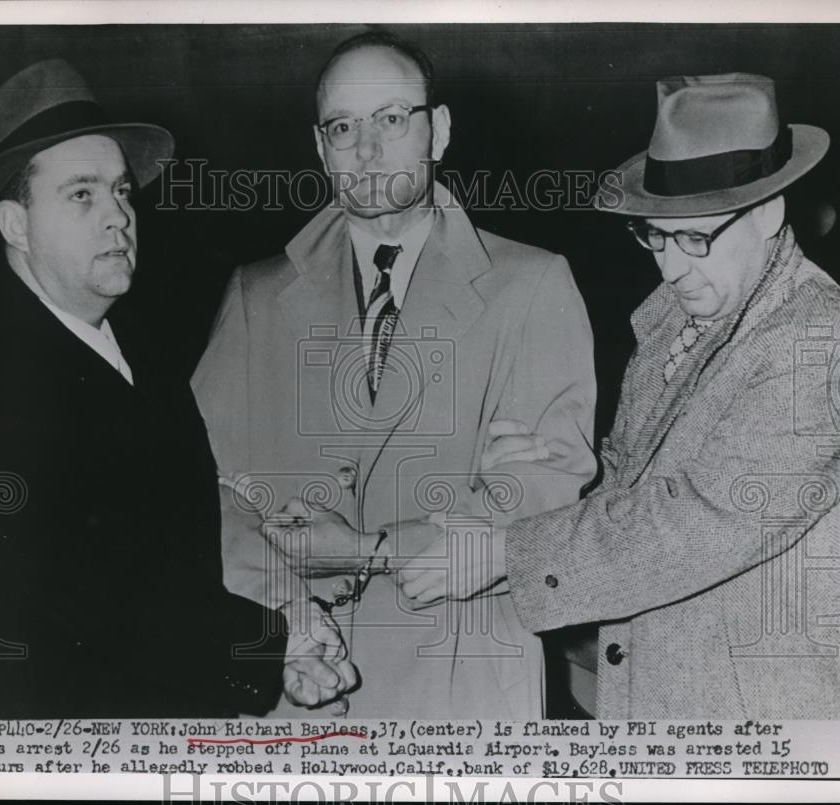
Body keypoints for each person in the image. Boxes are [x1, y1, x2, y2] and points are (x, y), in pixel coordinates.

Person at [0, 58, 355, 719]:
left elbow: (190, 532)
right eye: (82, 195)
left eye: (121, 190)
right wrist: (270, 644)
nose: (118, 216)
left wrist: (288, 612)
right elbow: (95, 593)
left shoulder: (141, 349)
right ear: (15, 225)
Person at [399, 73, 840, 719]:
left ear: (770, 213)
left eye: (696, 238)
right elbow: (642, 483)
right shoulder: (677, 318)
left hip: (763, 725)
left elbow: (699, 521)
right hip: (661, 703)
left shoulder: (823, 343)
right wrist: (567, 465)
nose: (671, 267)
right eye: (655, 235)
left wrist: (506, 551)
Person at [191, 32, 597, 718]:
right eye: (343, 127)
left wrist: (363, 549)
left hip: (465, 689)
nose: (367, 148)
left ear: (436, 130)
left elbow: (540, 500)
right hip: (304, 688)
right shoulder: (255, 297)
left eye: (391, 118)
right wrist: (289, 609)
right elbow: (205, 495)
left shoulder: (534, 285)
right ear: (320, 147)